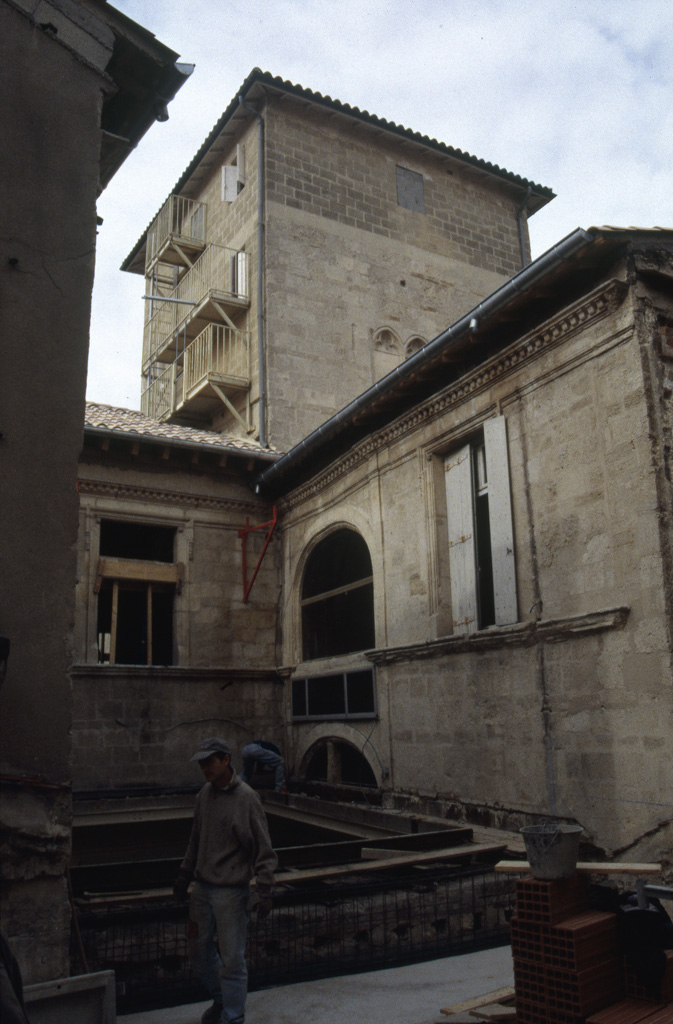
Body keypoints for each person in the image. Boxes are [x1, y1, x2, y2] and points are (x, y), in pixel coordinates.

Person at [173, 737, 277, 1024]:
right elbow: (195, 840)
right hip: (203, 889)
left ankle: (233, 1015)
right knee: (198, 951)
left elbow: (263, 848)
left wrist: (266, 888)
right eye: (201, 763)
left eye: (210, 761)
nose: (204, 767)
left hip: (232, 893)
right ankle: (222, 999)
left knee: (232, 958)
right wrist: (184, 874)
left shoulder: (246, 798)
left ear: (226, 760)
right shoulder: (204, 796)